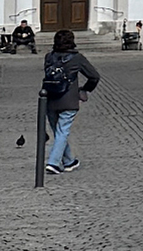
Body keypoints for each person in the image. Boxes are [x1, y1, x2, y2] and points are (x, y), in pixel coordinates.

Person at [42, 28, 100, 174]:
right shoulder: (77, 58)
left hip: (50, 98)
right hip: (69, 99)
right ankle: (53, 163)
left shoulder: (49, 57)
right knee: (62, 132)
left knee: (59, 133)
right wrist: (85, 89)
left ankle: (69, 161)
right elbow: (94, 76)